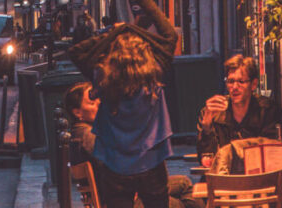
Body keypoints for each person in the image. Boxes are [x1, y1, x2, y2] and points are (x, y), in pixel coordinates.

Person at [65, 82, 199, 208]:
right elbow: (113, 165)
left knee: (183, 183)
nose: (99, 103)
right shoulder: (87, 135)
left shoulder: (85, 132)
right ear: (77, 112)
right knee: (182, 201)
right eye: (92, 102)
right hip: (124, 197)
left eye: (99, 99)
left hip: (128, 190)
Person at [87, 29, 174, 208]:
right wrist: (132, 27)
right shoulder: (154, 77)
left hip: (115, 162)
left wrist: (116, 32)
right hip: (150, 158)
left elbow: (78, 52)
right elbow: (170, 36)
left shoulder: (103, 80)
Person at [196, 54, 282, 169]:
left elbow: (271, 151)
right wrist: (206, 126)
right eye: (231, 81)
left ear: (253, 84)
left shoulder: (267, 110)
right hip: (223, 178)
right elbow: (206, 158)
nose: (235, 87)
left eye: (241, 82)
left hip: (258, 177)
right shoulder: (214, 112)